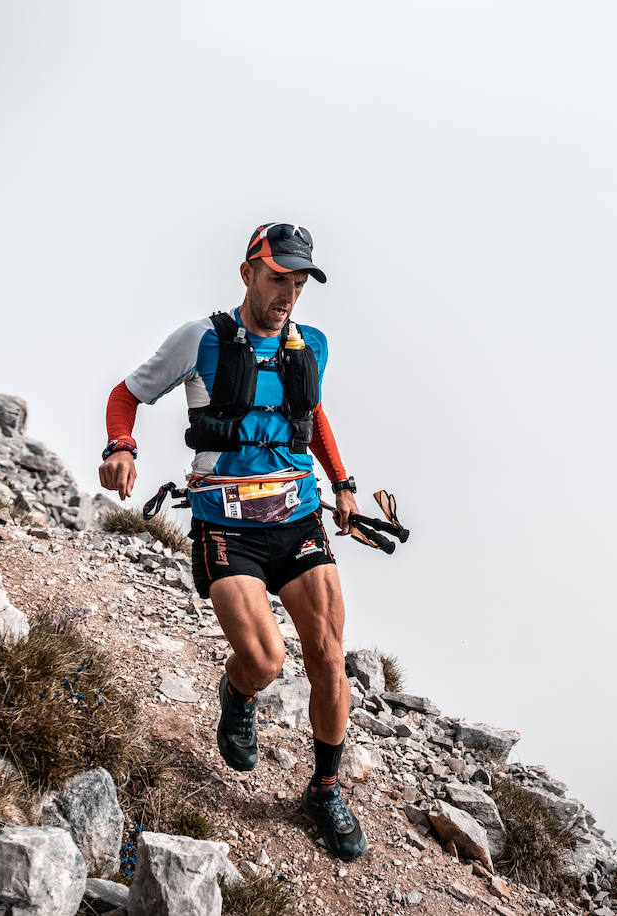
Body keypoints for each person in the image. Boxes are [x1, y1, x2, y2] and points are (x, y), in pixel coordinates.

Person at [97, 223, 367, 861]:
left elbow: (312, 414)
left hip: (298, 516)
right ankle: (237, 694)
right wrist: (122, 446)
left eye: (299, 283)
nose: (289, 294)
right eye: (279, 279)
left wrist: (345, 485)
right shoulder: (202, 339)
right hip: (227, 524)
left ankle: (326, 789)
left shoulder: (312, 345)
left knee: (329, 655)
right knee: (268, 660)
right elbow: (124, 395)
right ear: (248, 273)